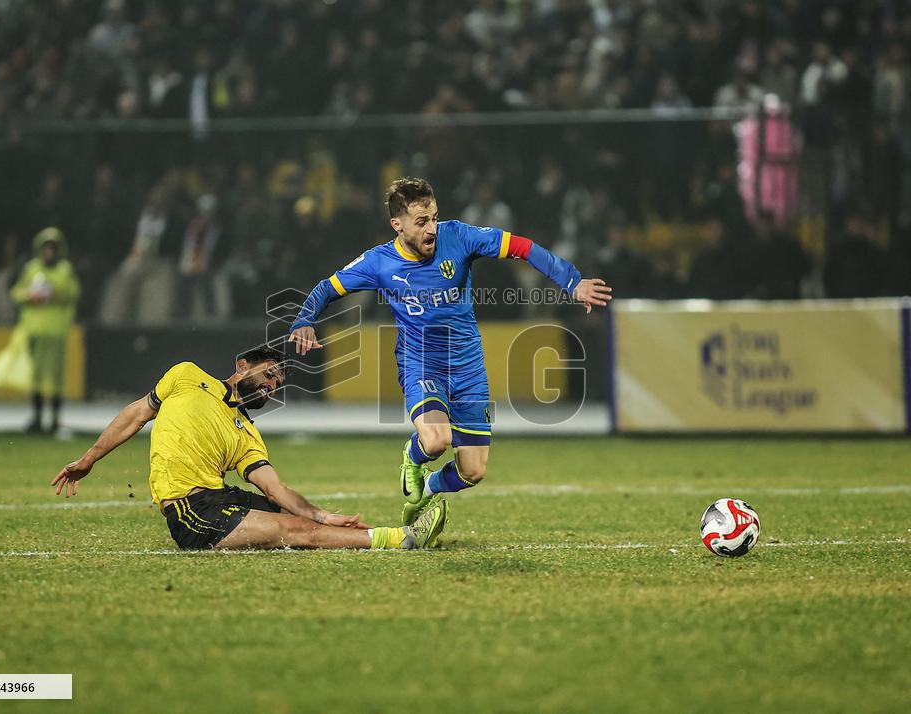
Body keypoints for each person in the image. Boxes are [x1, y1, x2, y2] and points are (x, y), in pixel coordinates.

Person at [288, 178, 611, 526]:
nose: (432, 229)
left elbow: (523, 247)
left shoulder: (459, 236)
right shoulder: (379, 262)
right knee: (436, 440)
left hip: (468, 368)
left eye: (434, 218)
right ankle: (412, 456)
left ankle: (427, 487)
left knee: (473, 471)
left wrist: (571, 281)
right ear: (397, 225)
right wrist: (304, 320)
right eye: (421, 222)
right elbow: (327, 288)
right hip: (421, 364)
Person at [51, 345, 446, 551]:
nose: (271, 387)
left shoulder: (247, 432)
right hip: (191, 510)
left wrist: (323, 514)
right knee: (296, 530)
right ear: (242, 365)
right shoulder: (186, 376)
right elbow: (136, 415)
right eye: (269, 374)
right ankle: (403, 539)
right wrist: (88, 459)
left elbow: (274, 488)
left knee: (301, 518)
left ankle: (386, 532)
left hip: (221, 497)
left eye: (277, 385)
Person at [9, 227, 81, 434]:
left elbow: (73, 292)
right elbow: (16, 292)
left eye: (53, 248)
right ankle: (38, 418)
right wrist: (29, 295)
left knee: (56, 377)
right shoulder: (32, 268)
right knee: (37, 377)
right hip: (34, 331)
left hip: (56, 332)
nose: (49, 252)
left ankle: (55, 420)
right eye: (46, 248)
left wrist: (52, 292)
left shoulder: (64, 270)